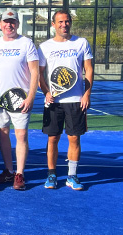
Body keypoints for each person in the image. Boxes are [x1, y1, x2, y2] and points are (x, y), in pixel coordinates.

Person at [38, 10, 94, 191]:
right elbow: (39, 74)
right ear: (53, 25)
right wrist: (46, 92)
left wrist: (87, 94)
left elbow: (89, 69)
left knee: (74, 138)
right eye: (60, 22)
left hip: (76, 100)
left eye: (67, 21)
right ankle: (52, 175)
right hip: (54, 101)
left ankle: (72, 176)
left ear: (70, 23)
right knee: (53, 138)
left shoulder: (82, 43)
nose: (64, 25)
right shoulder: (45, 46)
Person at [0, 10, 39, 191]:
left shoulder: (27, 43)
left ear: (17, 24)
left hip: (20, 100)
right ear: (0, 24)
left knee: (21, 135)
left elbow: (35, 72)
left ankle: (20, 174)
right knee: (3, 134)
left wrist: (31, 97)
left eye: (12, 22)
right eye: (6, 22)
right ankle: (9, 170)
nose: (9, 25)